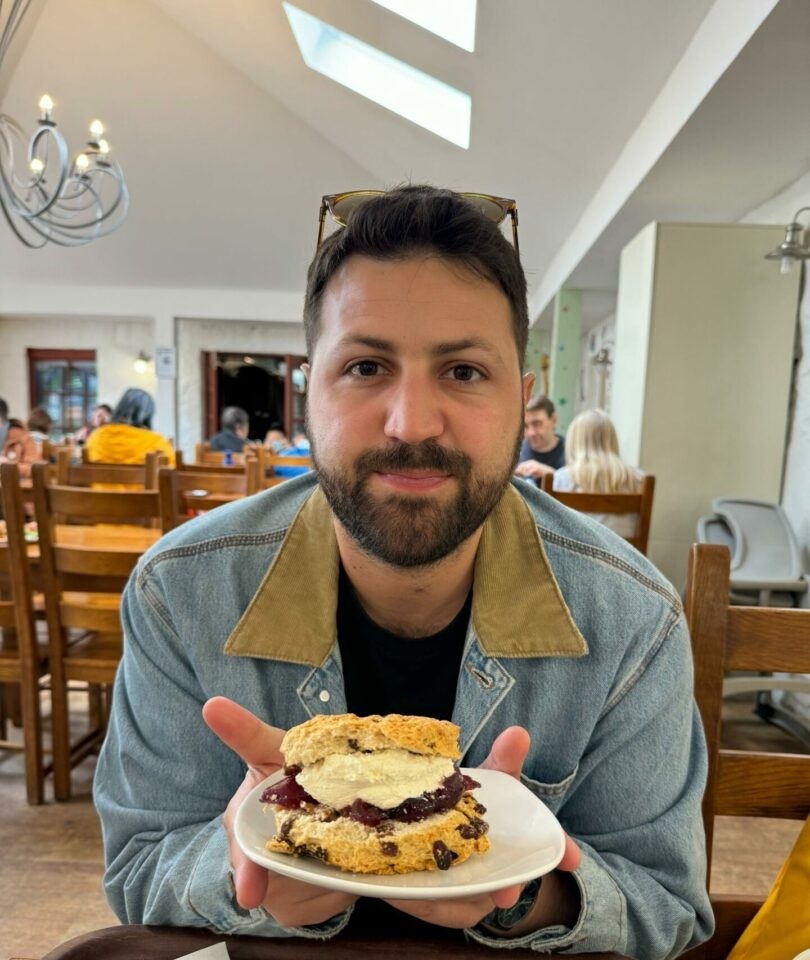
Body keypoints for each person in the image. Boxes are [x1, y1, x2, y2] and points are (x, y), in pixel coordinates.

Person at [94, 186, 712, 958]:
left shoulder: (633, 618)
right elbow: (139, 865)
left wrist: (521, 886)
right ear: (309, 389)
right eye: (365, 366)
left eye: (464, 371)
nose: (411, 422)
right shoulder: (181, 592)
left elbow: (667, 904)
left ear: (521, 403)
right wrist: (244, 861)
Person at [553, 408, 643, 538]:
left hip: (576, 550)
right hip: (624, 551)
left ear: (574, 441)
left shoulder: (561, 479)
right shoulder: (639, 479)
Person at [85, 388, 175, 465]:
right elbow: (173, 472)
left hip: (101, 481)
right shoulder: (156, 442)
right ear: (147, 416)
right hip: (143, 481)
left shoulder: (96, 438)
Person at [514, 394, 566, 482]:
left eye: (537, 424)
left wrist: (551, 475)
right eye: (525, 426)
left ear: (554, 420)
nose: (531, 433)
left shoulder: (571, 452)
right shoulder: (515, 452)